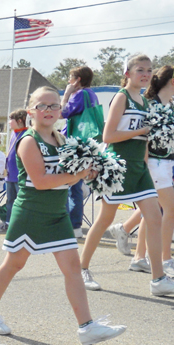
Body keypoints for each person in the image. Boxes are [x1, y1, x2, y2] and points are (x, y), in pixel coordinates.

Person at [0, 86, 126, 345]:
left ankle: (87, 327)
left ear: (60, 110)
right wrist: (76, 176)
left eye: (54, 105)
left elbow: (67, 178)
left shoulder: (63, 139)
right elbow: (41, 181)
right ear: (31, 111)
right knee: (14, 264)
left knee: (72, 268)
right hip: (31, 212)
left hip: (57, 213)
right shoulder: (28, 141)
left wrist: (91, 172)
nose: (48, 110)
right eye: (42, 106)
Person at [79, 54, 174, 296]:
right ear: (128, 73)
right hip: (118, 166)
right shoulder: (122, 97)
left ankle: (158, 279)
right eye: (140, 69)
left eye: (149, 70)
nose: (146, 74)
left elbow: (151, 137)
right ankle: (82, 269)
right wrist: (144, 129)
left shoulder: (146, 102)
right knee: (104, 221)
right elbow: (108, 137)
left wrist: (168, 130)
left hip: (140, 168)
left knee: (154, 217)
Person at [111, 70, 174, 278]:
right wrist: (144, 166)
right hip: (153, 163)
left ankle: (138, 257)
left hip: (165, 163)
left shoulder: (171, 106)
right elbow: (143, 138)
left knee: (153, 212)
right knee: (170, 210)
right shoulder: (150, 105)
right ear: (173, 81)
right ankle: (165, 260)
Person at [60, 66, 101, 238]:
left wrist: (66, 94)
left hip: (75, 142)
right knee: (75, 185)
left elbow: (63, 113)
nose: (68, 81)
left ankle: (73, 225)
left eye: (71, 78)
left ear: (77, 80)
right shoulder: (92, 94)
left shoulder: (79, 95)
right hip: (88, 142)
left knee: (71, 186)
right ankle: (74, 224)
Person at [0, 109, 28, 233]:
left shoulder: (27, 134)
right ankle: (9, 222)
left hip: (20, 175)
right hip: (10, 175)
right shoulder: (14, 133)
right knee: (10, 200)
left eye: (11, 120)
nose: (8, 122)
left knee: (21, 201)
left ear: (19, 121)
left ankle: (22, 224)